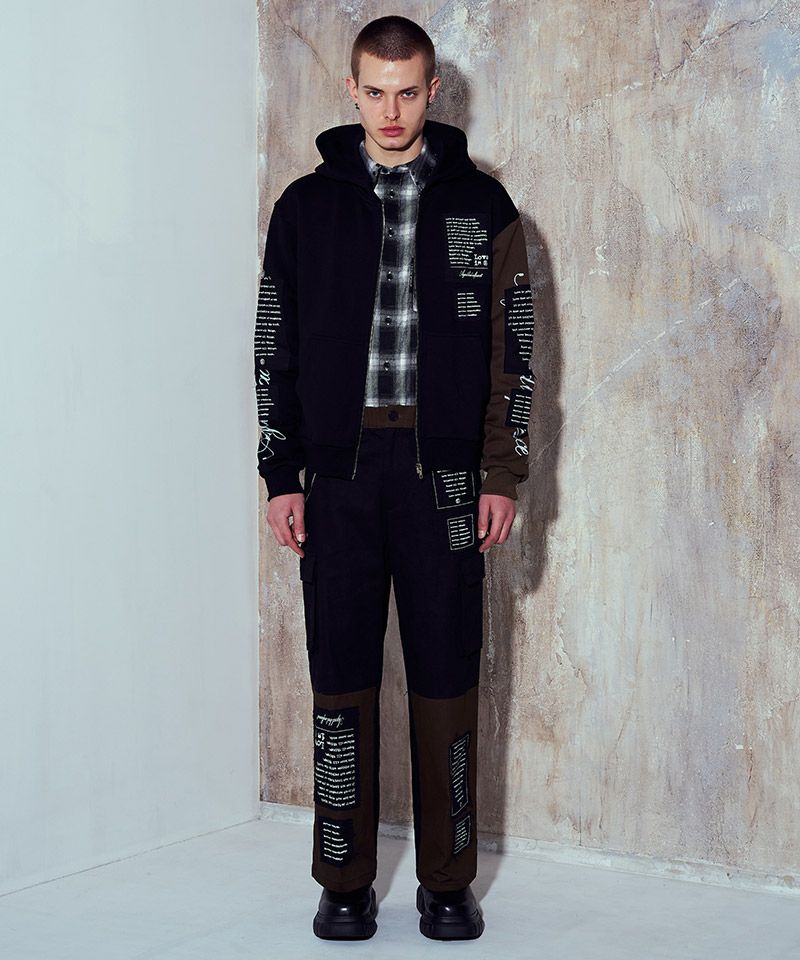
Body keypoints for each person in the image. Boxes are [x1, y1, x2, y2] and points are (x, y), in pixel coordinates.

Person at [254, 14, 536, 942]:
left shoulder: (482, 206)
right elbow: (274, 346)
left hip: (444, 480)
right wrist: (280, 471)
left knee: (447, 675)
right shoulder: (305, 208)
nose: (390, 110)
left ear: (432, 92)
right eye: (374, 92)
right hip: (337, 478)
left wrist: (501, 471)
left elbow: (515, 350)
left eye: (407, 92)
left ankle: (448, 884)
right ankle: (343, 882)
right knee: (339, 676)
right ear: (351, 90)